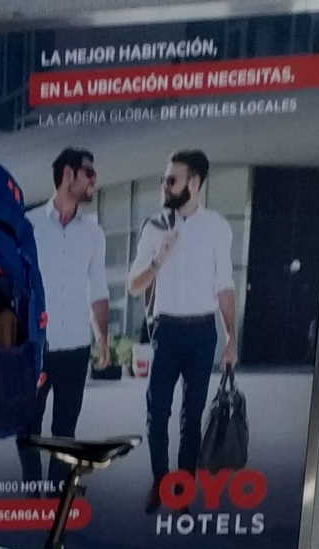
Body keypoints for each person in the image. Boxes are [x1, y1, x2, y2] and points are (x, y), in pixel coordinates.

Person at [128, 149, 237, 513]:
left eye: (172, 180)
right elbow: (133, 284)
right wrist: (159, 257)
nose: (165, 186)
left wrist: (231, 339)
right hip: (166, 331)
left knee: (193, 417)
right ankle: (161, 482)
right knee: (157, 414)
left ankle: (183, 488)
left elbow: (225, 286)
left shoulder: (218, 227)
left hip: (203, 332)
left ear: (194, 182)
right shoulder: (154, 226)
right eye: (164, 179)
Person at [20, 148, 109, 496]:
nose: (93, 180)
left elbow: (98, 288)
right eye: (89, 172)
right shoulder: (29, 225)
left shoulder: (93, 233)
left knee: (65, 428)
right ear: (68, 174)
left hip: (75, 345)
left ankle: (58, 490)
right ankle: (30, 489)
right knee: (28, 424)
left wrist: (102, 341)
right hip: (35, 345)